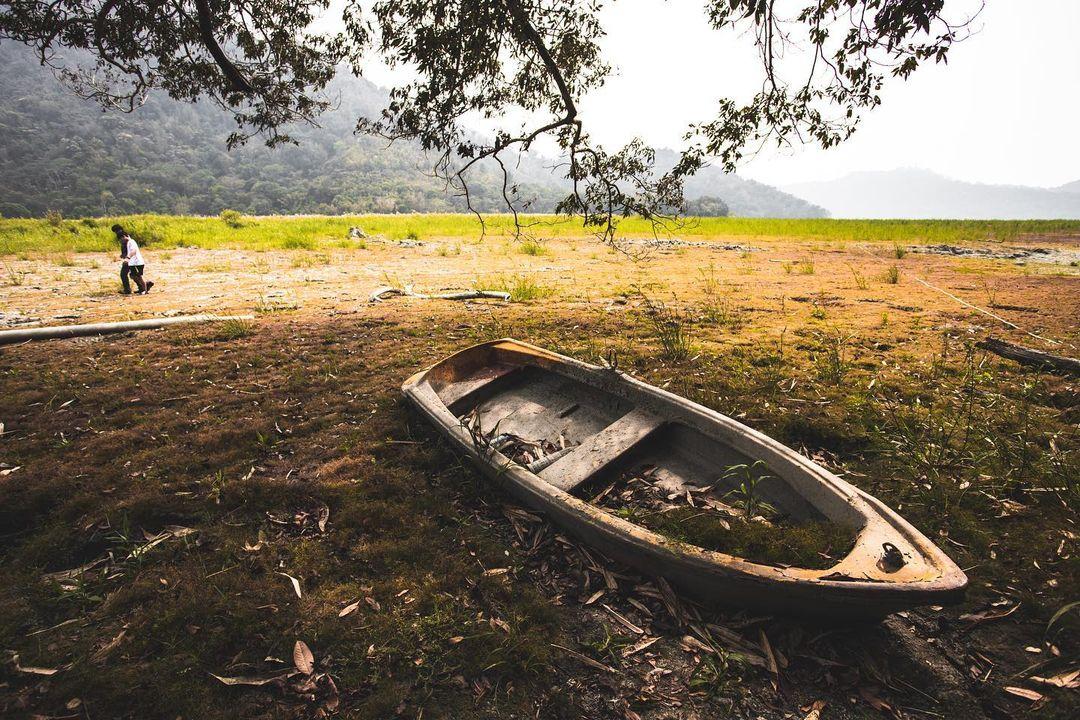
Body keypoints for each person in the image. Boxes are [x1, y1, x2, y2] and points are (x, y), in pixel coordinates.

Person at [111, 224, 154, 295]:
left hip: (131, 260)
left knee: (125, 274)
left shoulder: (127, 239)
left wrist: (127, 258)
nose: (116, 233)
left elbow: (132, 250)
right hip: (131, 260)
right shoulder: (125, 237)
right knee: (133, 275)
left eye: (116, 231)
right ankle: (143, 287)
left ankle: (129, 290)